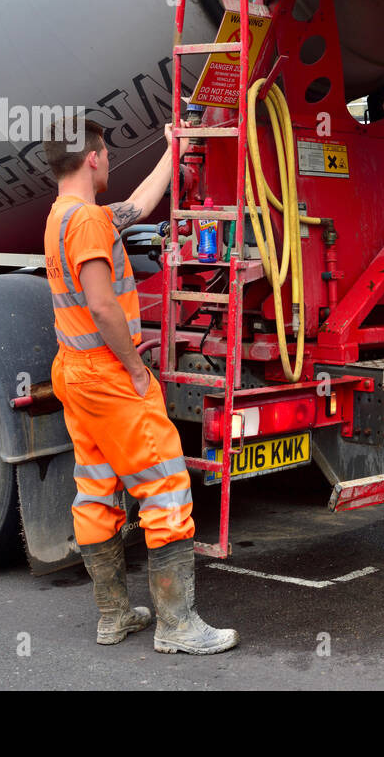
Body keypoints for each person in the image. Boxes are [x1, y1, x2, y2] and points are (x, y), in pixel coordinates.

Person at [42, 118, 237, 655]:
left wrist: (175, 151)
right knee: (166, 486)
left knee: (97, 489)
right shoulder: (86, 223)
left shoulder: (66, 216)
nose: (107, 158)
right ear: (94, 159)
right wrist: (131, 364)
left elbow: (140, 207)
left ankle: (113, 616)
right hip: (108, 375)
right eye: (104, 151)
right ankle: (178, 626)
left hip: (77, 371)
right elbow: (103, 304)